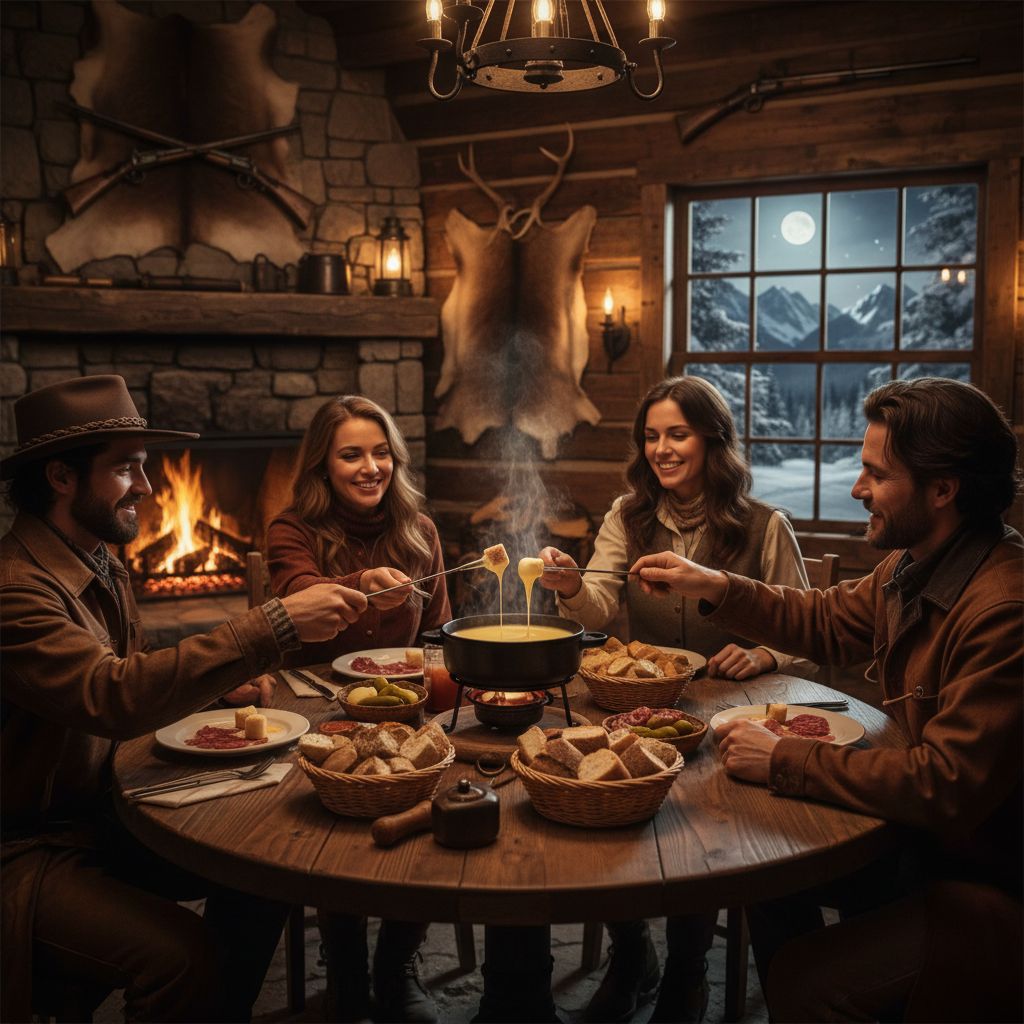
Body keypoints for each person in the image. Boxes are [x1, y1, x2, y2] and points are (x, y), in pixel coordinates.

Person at [630, 377, 1023, 1023]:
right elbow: (825, 620)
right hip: (926, 843)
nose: (858, 488)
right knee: (761, 866)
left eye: (877, 474)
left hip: (978, 877)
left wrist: (784, 757)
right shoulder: (918, 561)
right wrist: (715, 585)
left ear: (943, 489)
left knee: (807, 980)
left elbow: (946, 784)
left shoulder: (1003, 608)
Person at [0, 375, 367, 1023]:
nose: (147, 487)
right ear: (60, 477)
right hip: (31, 848)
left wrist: (213, 687)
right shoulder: (15, 591)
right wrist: (273, 625)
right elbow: (110, 694)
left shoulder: (98, 561)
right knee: (183, 958)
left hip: (104, 814)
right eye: (126, 468)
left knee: (266, 868)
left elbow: (128, 672)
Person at [537, 374, 815, 1023]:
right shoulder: (626, 516)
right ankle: (634, 953)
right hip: (642, 707)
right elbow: (597, 608)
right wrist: (571, 585)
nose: (661, 449)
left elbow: (806, 630)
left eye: (678, 434)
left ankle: (688, 975)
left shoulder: (765, 525)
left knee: (704, 826)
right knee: (603, 801)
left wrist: (765, 654)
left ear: (712, 440)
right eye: (651, 436)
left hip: (732, 714)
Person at [266, 394, 451, 1024]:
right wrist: (358, 585)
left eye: (380, 453)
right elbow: (297, 594)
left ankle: (396, 963)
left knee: (437, 804)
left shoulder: (421, 531)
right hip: (317, 709)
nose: (370, 468)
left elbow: (437, 633)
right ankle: (345, 968)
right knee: (334, 824)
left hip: (406, 710)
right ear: (323, 465)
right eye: (351, 455)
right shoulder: (292, 529)